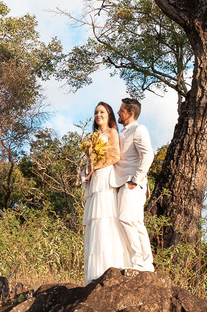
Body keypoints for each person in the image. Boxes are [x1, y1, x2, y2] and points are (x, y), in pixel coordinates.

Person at [81, 101, 126, 282]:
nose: (98, 115)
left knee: (104, 218)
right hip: (94, 180)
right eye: (96, 112)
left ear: (108, 115)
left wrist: (96, 166)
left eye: (102, 112)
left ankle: (107, 268)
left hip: (105, 178)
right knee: (94, 221)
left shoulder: (112, 132)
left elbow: (115, 156)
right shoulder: (94, 136)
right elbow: (89, 160)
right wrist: (87, 171)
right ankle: (93, 274)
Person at [111, 97, 155, 271]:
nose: (118, 113)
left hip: (132, 183)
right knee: (136, 222)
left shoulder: (138, 129)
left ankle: (138, 262)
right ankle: (146, 263)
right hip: (123, 182)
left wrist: (135, 180)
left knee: (126, 219)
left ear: (131, 113)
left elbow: (148, 155)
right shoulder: (122, 133)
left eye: (121, 110)